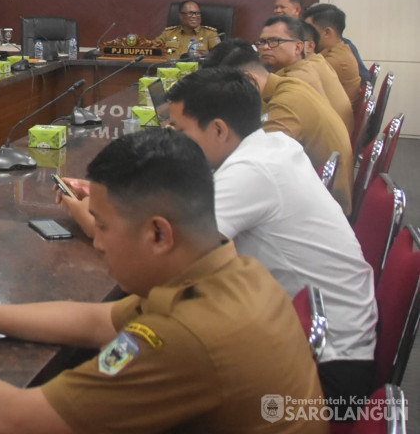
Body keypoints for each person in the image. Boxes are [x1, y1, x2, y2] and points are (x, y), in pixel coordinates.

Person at [0, 130, 326, 433]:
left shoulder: (181, 339)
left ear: (159, 233)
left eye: (106, 227)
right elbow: (96, 321)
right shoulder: (233, 270)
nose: (97, 242)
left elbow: (16, 417)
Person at [63, 69, 376, 408]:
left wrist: (80, 208)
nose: (172, 137)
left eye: (179, 130)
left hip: (330, 371)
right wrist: (104, 193)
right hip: (335, 337)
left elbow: (159, 244)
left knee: (141, 382)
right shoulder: (272, 144)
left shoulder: (251, 173)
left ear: (218, 129)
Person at [215, 39, 354, 213]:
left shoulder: (286, 103)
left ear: (249, 80)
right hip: (317, 193)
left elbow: (259, 164)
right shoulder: (286, 85)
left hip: (323, 207)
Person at [257, 16, 354, 135]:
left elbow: (271, 136)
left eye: (274, 42)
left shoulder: (298, 78)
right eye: (261, 42)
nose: (265, 47)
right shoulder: (308, 64)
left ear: (298, 47)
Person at [305, 3, 370, 99]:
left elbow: (295, 78)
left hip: (336, 113)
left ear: (327, 32)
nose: (305, 36)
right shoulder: (340, 49)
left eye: (309, 31)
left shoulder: (335, 61)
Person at [156, 0, 221, 57]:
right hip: (170, 69)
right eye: (190, 13)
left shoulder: (210, 35)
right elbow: (151, 51)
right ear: (181, 16)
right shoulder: (169, 34)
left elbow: (220, 57)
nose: (195, 16)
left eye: (197, 13)